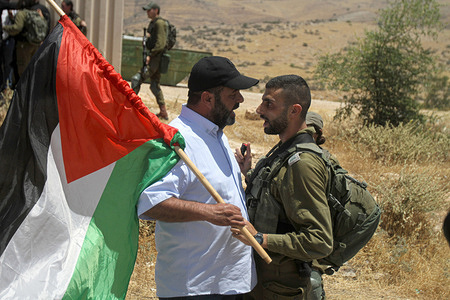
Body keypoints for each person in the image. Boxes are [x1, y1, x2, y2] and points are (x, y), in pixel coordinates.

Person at [137, 56, 259, 299]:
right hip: (197, 286)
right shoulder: (178, 140)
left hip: (230, 281)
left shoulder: (216, 134)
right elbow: (152, 203)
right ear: (207, 98)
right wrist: (209, 213)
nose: (240, 100)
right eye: (233, 93)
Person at [232, 75, 333, 300]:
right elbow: (278, 198)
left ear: (294, 110)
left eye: (269, 104)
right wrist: (250, 174)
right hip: (261, 282)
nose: (259, 110)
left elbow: (320, 241)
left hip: (281, 288)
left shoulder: (303, 163)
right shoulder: (284, 150)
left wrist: (261, 239)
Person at [132, 2, 168, 120]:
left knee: (137, 78)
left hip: (155, 58)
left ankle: (129, 105)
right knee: (154, 85)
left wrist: (151, 55)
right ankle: (163, 112)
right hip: (155, 58)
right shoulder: (154, 23)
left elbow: (160, 44)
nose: (147, 12)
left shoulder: (159, 23)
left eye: (149, 10)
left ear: (156, 10)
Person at [2, 0, 46, 77]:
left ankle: (24, 88)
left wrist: (4, 27)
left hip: (24, 46)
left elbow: (17, 28)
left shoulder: (21, 13)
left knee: (23, 70)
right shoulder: (35, 13)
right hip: (35, 44)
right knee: (33, 69)